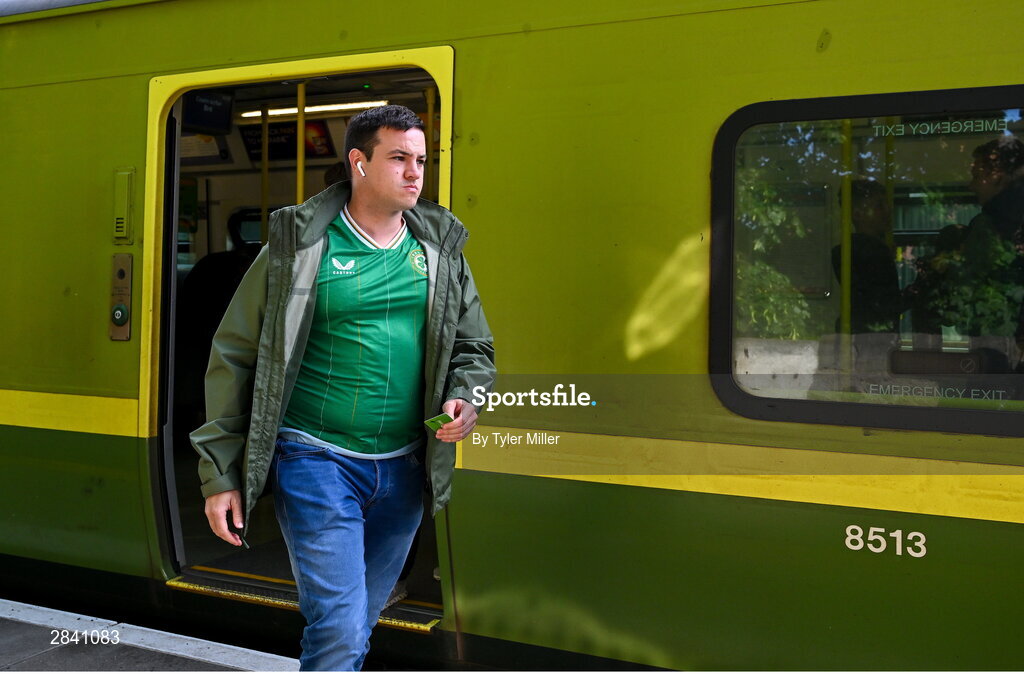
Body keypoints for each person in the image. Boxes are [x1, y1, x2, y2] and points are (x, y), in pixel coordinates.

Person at [190, 104, 495, 670]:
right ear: (358, 162)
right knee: (340, 630)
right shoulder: (299, 249)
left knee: (356, 622)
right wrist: (220, 474)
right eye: (399, 158)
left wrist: (465, 395)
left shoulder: (439, 253)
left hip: (404, 467)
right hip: (316, 456)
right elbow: (232, 354)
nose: (415, 173)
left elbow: (473, 348)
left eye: (421, 160)